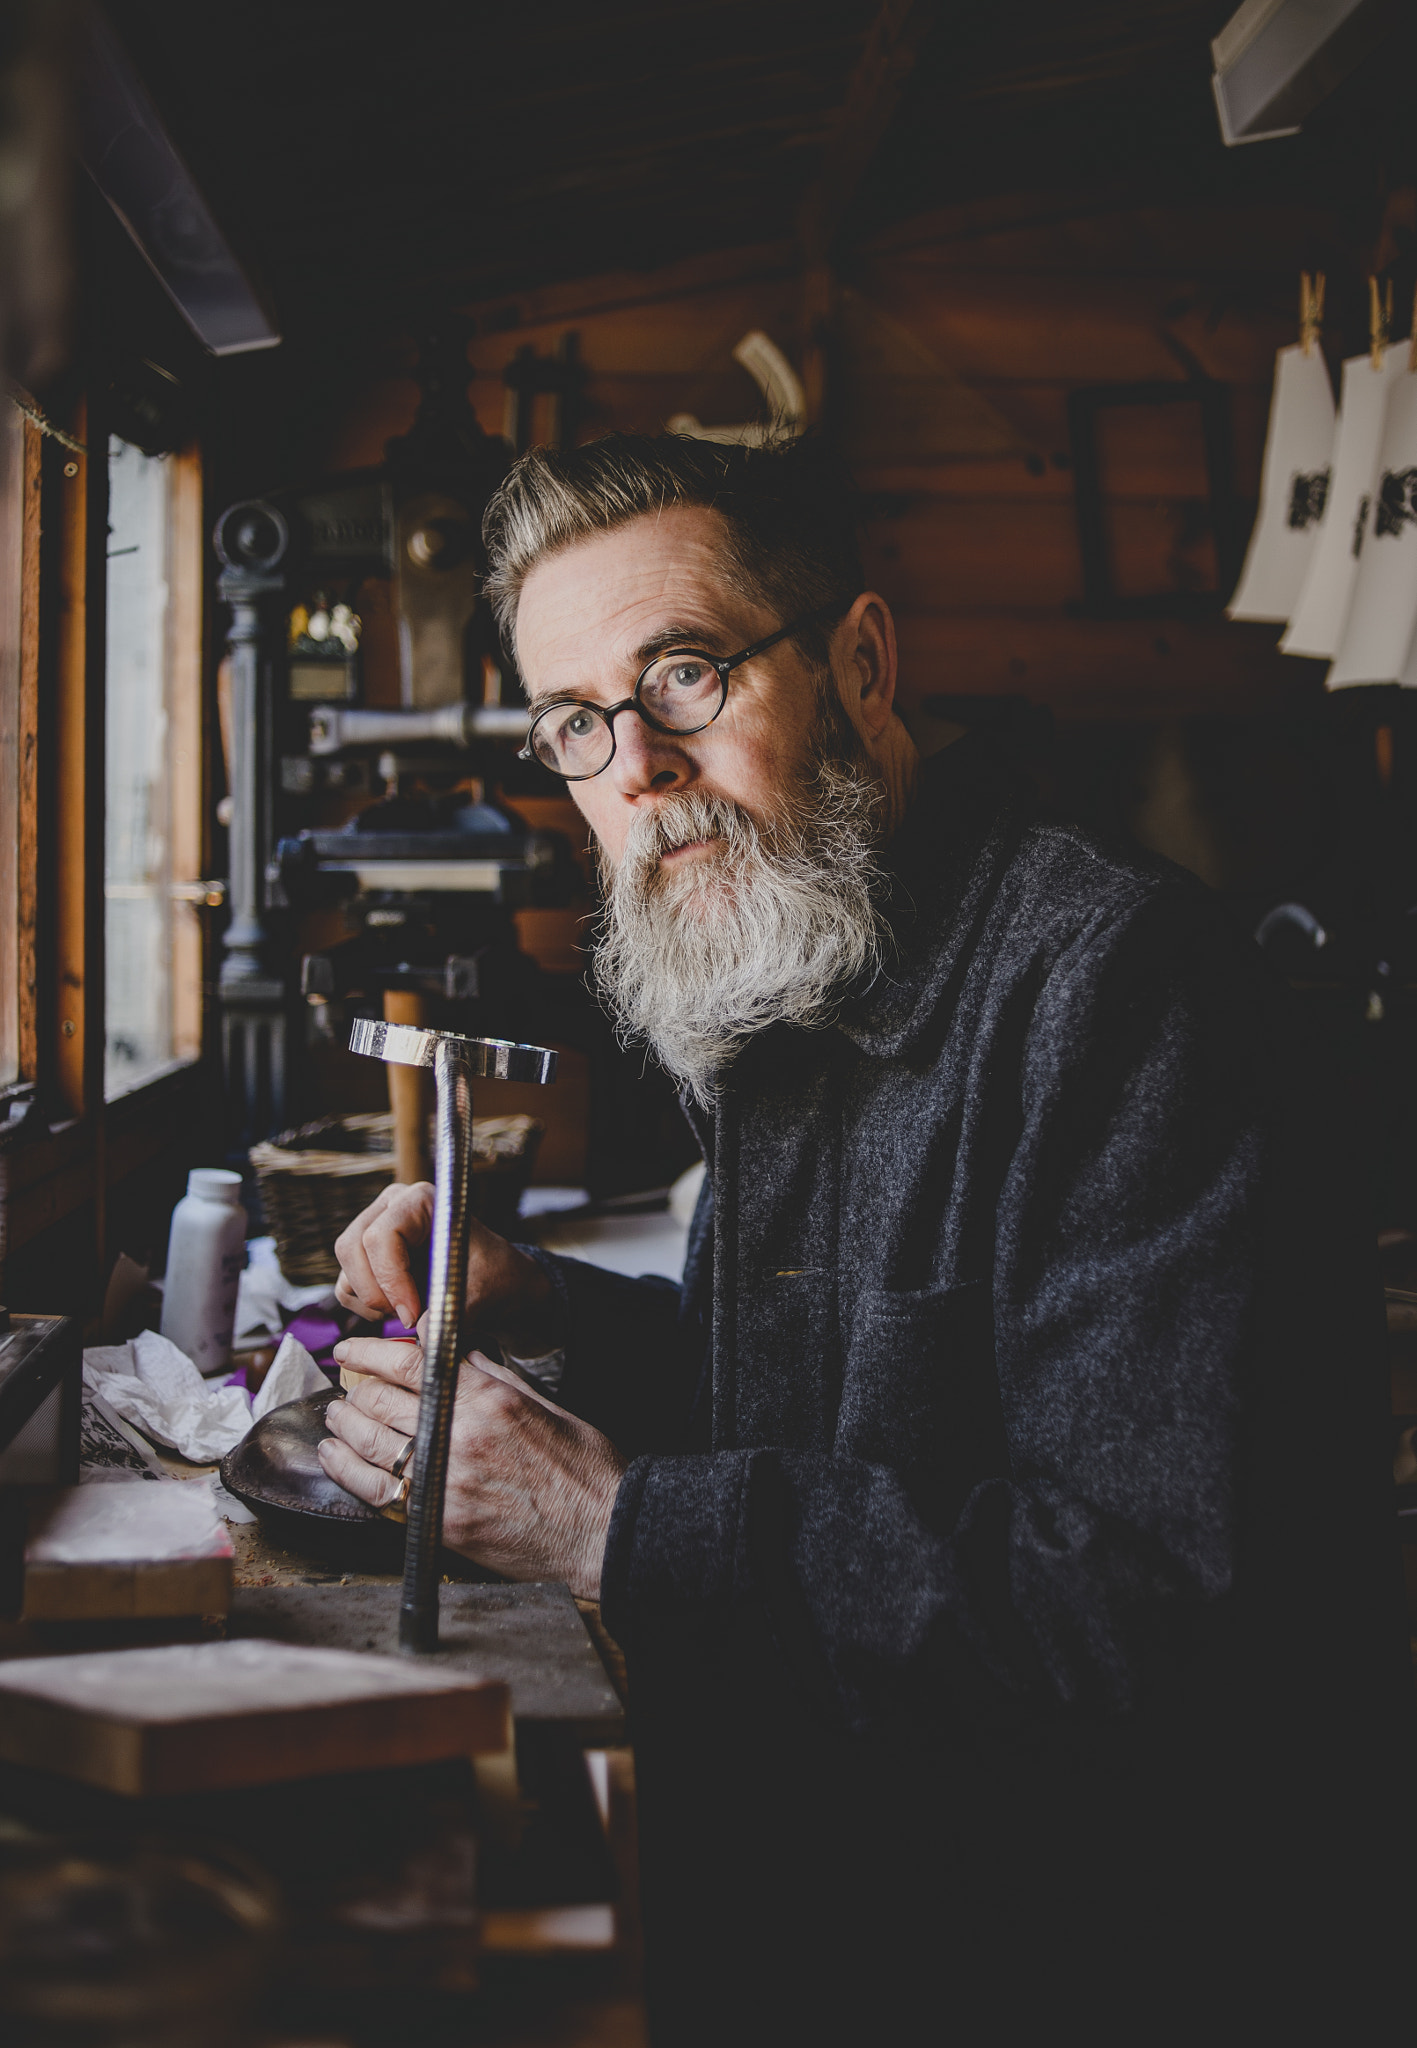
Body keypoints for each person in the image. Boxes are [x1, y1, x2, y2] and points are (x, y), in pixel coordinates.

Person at [321, 435, 1404, 2042]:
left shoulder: (1114, 990)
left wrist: (611, 1523)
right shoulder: (796, 958)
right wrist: (537, 1298)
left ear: (860, 664)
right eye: (577, 723)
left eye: (682, 676)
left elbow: (1123, 1604)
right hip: (848, 1854)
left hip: (1076, 1942)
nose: (638, 768)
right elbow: (821, 1400)